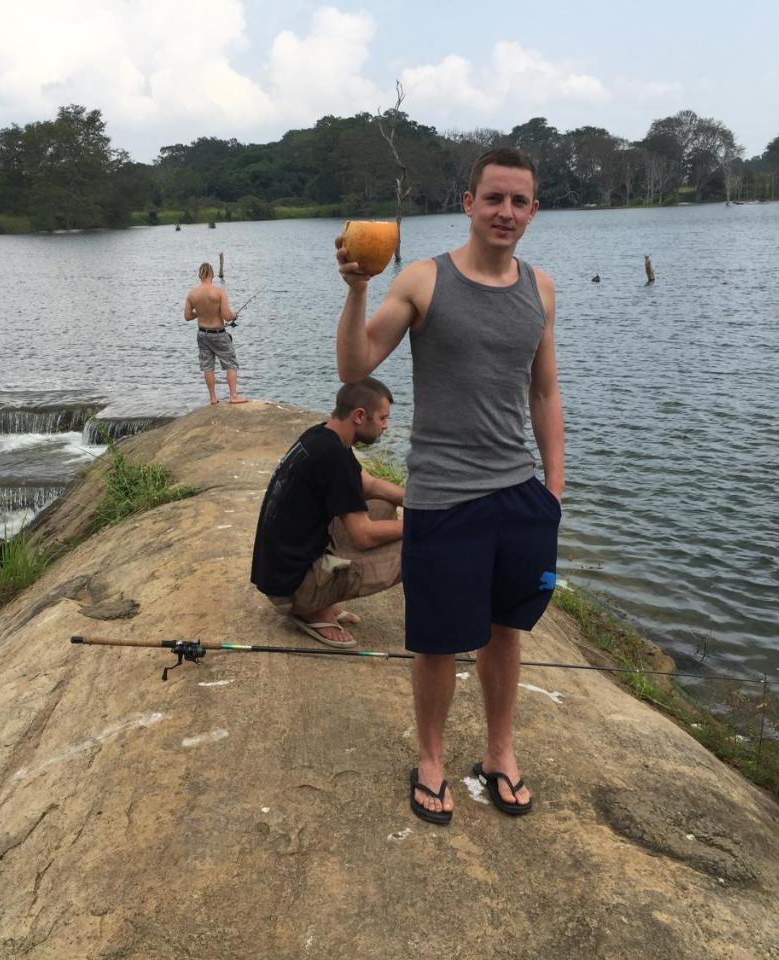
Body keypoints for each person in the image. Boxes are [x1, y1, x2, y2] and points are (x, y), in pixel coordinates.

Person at [335, 147, 563, 825]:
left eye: (519, 201)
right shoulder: (424, 280)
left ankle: (500, 754)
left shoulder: (541, 288)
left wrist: (552, 486)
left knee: (505, 631)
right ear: (468, 204)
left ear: (533, 211)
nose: (506, 212)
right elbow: (356, 363)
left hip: (517, 494)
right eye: (493, 198)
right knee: (436, 640)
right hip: (441, 494)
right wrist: (356, 290)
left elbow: (545, 391)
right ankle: (431, 760)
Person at [251, 378, 405, 649]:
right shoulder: (332, 456)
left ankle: (320, 598)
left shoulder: (323, 435)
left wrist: (422, 502)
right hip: (291, 586)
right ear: (359, 416)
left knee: (383, 506)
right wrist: (425, 523)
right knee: (420, 544)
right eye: (382, 418)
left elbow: (368, 485)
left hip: (280, 570)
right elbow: (364, 536)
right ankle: (311, 608)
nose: (385, 426)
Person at [185, 262, 248, 404]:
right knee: (231, 364)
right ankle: (233, 396)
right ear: (212, 274)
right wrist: (234, 315)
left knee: (207, 366)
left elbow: (188, 316)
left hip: (202, 334)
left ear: (200, 275)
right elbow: (227, 316)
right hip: (218, 333)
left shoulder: (192, 294)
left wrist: (199, 312)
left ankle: (213, 398)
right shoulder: (219, 292)